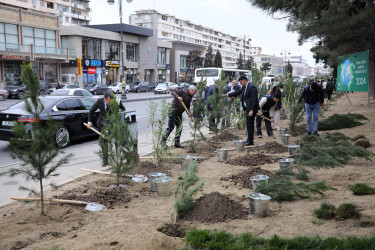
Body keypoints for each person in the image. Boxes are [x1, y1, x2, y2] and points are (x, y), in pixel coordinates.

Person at [87, 91, 126, 167]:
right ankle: (105, 161)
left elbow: (122, 111)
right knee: (103, 141)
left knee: (121, 138)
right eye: (109, 101)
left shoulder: (115, 102)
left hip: (113, 123)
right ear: (105, 99)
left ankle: (125, 155)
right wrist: (89, 122)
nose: (110, 102)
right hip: (102, 124)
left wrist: (108, 131)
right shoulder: (99, 101)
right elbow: (91, 111)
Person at [228, 76, 259, 146]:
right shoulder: (244, 87)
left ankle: (250, 141)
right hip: (247, 108)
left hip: (251, 109)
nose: (240, 84)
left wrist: (252, 110)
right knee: (248, 125)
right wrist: (227, 95)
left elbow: (254, 99)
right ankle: (249, 139)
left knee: (250, 125)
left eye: (241, 82)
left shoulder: (252, 87)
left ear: (244, 81)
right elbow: (237, 92)